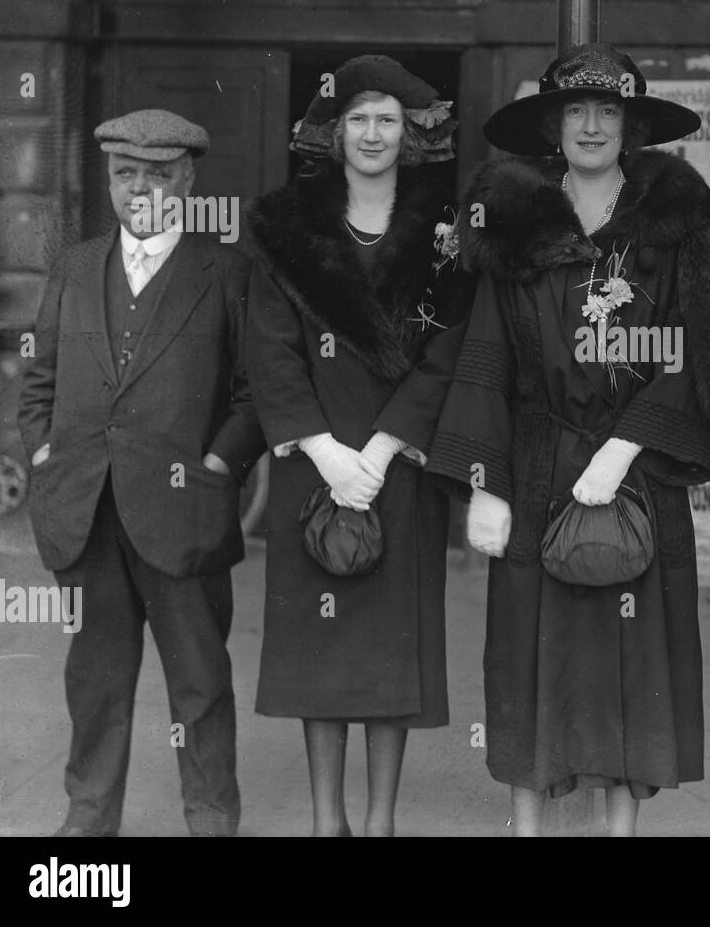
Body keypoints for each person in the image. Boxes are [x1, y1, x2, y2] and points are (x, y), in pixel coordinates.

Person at [426, 42, 710, 836]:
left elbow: (698, 345)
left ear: (632, 126)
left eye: (610, 111)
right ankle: (529, 829)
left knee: (628, 663)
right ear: (553, 124)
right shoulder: (514, 222)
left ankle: (617, 833)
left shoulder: (678, 222)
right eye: (578, 111)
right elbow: (488, 352)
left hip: (634, 475)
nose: (594, 125)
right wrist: (487, 481)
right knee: (527, 655)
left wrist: (624, 447)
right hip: (536, 466)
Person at [17, 109, 265, 836]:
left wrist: (218, 463)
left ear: (186, 180)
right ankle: (88, 820)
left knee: (200, 683)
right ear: (110, 179)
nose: (141, 190)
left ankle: (212, 818)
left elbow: (255, 395)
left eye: (158, 175)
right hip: (87, 512)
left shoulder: (228, 272)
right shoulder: (73, 266)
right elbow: (38, 382)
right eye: (127, 175)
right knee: (94, 683)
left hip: (184, 515)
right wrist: (43, 455)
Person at [245, 55, 474, 837]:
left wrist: (377, 454)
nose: (374, 134)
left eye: (389, 120)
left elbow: (448, 351)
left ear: (408, 135)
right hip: (314, 471)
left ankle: (378, 824)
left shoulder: (443, 233)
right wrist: (325, 451)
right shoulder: (286, 228)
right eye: (359, 119)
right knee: (321, 652)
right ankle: (325, 820)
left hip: (396, 475)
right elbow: (270, 352)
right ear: (333, 133)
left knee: (388, 656)